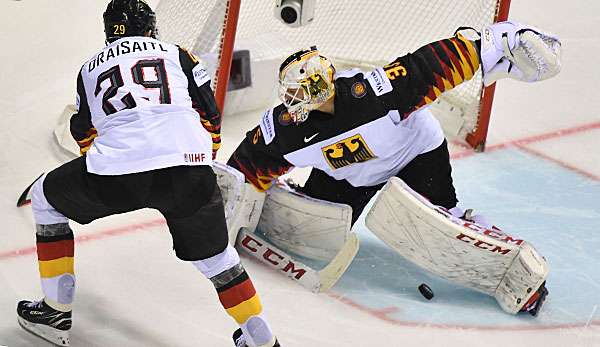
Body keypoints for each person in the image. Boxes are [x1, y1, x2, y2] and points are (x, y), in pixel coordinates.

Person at [227, 22, 560, 316]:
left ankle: (504, 258)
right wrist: (224, 203)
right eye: (289, 94)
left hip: (413, 154)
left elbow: (427, 67)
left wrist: (496, 43)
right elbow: (245, 165)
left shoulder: (372, 94)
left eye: (297, 93)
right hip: (349, 175)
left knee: (441, 224)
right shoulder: (287, 129)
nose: (291, 102)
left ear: (317, 87)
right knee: (309, 228)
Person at [16, 1, 279, 346]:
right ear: (151, 27)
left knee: (45, 199)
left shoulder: (89, 69)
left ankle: (55, 310)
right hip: (189, 170)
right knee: (218, 259)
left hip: (119, 172)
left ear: (109, 30)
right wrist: (200, 158)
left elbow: (83, 132)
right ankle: (260, 337)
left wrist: (107, 165)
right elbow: (211, 115)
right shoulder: (178, 54)